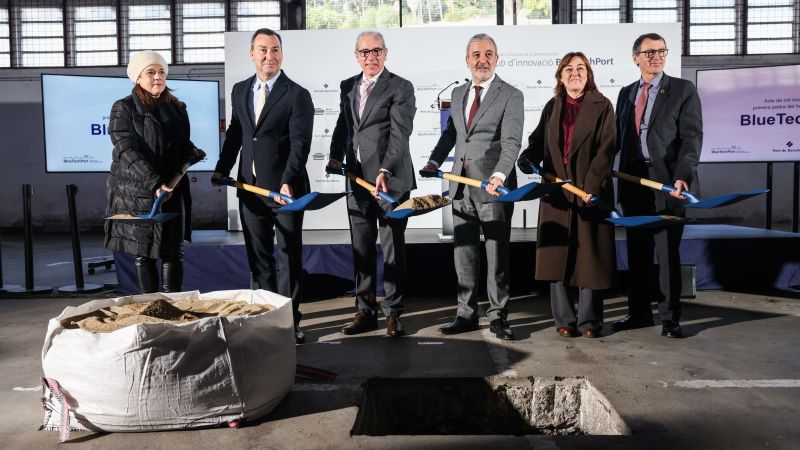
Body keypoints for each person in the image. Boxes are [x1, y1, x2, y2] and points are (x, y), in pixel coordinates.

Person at [213, 28, 314, 344]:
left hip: (286, 192)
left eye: (275, 50)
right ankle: (266, 318)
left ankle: (289, 321)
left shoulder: (297, 94)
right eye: (263, 50)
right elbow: (236, 134)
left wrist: (287, 181)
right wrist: (222, 168)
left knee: (288, 256)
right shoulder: (240, 90)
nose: (269, 56)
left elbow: (300, 144)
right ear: (252, 54)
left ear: (281, 53)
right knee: (259, 257)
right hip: (250, 189)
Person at [422, 33, 523, 340]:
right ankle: (466, 313)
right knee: (463, 253)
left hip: (493, 187)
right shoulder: (458, 93)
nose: (482, 60)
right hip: (460, 185)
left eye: (488, 54)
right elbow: (452, 134)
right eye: (476, 55)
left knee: (496, 254)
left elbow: (511, 142)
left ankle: (498, 315)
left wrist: (500, 175)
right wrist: (434, 161)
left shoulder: (511, 95)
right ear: (467, 60)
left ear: (497, 59)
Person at [517, 52, 617, 338]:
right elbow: (538, 140)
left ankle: (590, 321)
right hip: (557, 191)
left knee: (590, 256)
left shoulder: (602, 106)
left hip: (589, 191)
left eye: (581, 68)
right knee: (557, 254)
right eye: (569, 69)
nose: (575, 73)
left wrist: (591, 187)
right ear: (560, 77)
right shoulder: (552, 106)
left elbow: (607, 149)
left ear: (588, 75)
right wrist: (528, 157)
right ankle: (563, 319)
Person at [612, 33, 703, 339]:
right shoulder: (626, 93)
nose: (656, 57)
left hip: (668, 183)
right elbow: (618, 140)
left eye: (661, 51)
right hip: (634, 182)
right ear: (635, 57)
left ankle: (669, 318)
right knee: (637, 251)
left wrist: (683, 175)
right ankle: (638, 313)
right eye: (649, 52)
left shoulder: (682, 90)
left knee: (666, 253)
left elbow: (691, 138)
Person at [327, 31, 416, 338]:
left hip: (391, 181)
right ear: (357, 56)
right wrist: (335, 156)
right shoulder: (347, 85)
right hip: (357, 180)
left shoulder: (401, 86)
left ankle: (393, 313)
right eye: (364, 52)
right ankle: (365, 310)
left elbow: (400, 133)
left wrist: (385, 170)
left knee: (392, 250)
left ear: (385, 53)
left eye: (376, 51)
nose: (371, 57)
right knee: (361, 248)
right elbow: (344, 124)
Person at [105, 50, 204, 294]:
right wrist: (154, 182)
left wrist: (191, 153)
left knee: (174, 251)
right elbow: (125, 149)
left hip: (172, 188)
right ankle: (151, 305)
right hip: (139, 190)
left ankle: (172, 304)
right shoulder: (124, 108)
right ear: (137, 77)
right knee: (145, 253)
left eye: (161, 72)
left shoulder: (177, 108)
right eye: (151, 72)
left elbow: (181, 144)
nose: (158, 76)